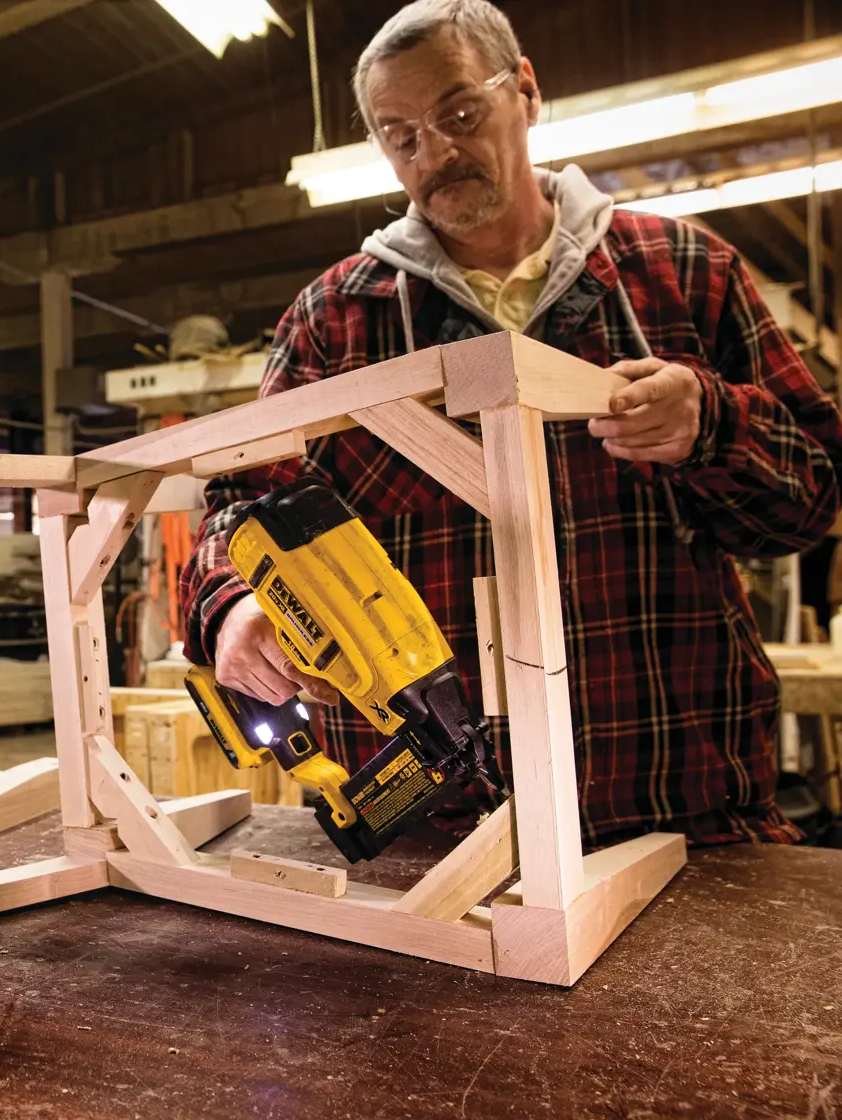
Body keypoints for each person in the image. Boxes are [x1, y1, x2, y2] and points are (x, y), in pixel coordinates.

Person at [181, 0, 842, 846]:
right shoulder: (336, 319)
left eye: (459, 114)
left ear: (525, 92)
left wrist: (712, 424)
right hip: (432, 829)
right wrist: (232, 606)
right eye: (401, 135)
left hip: (681, 807)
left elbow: (815, 499)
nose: (436, 153)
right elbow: (241, 500)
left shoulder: (685, 275)